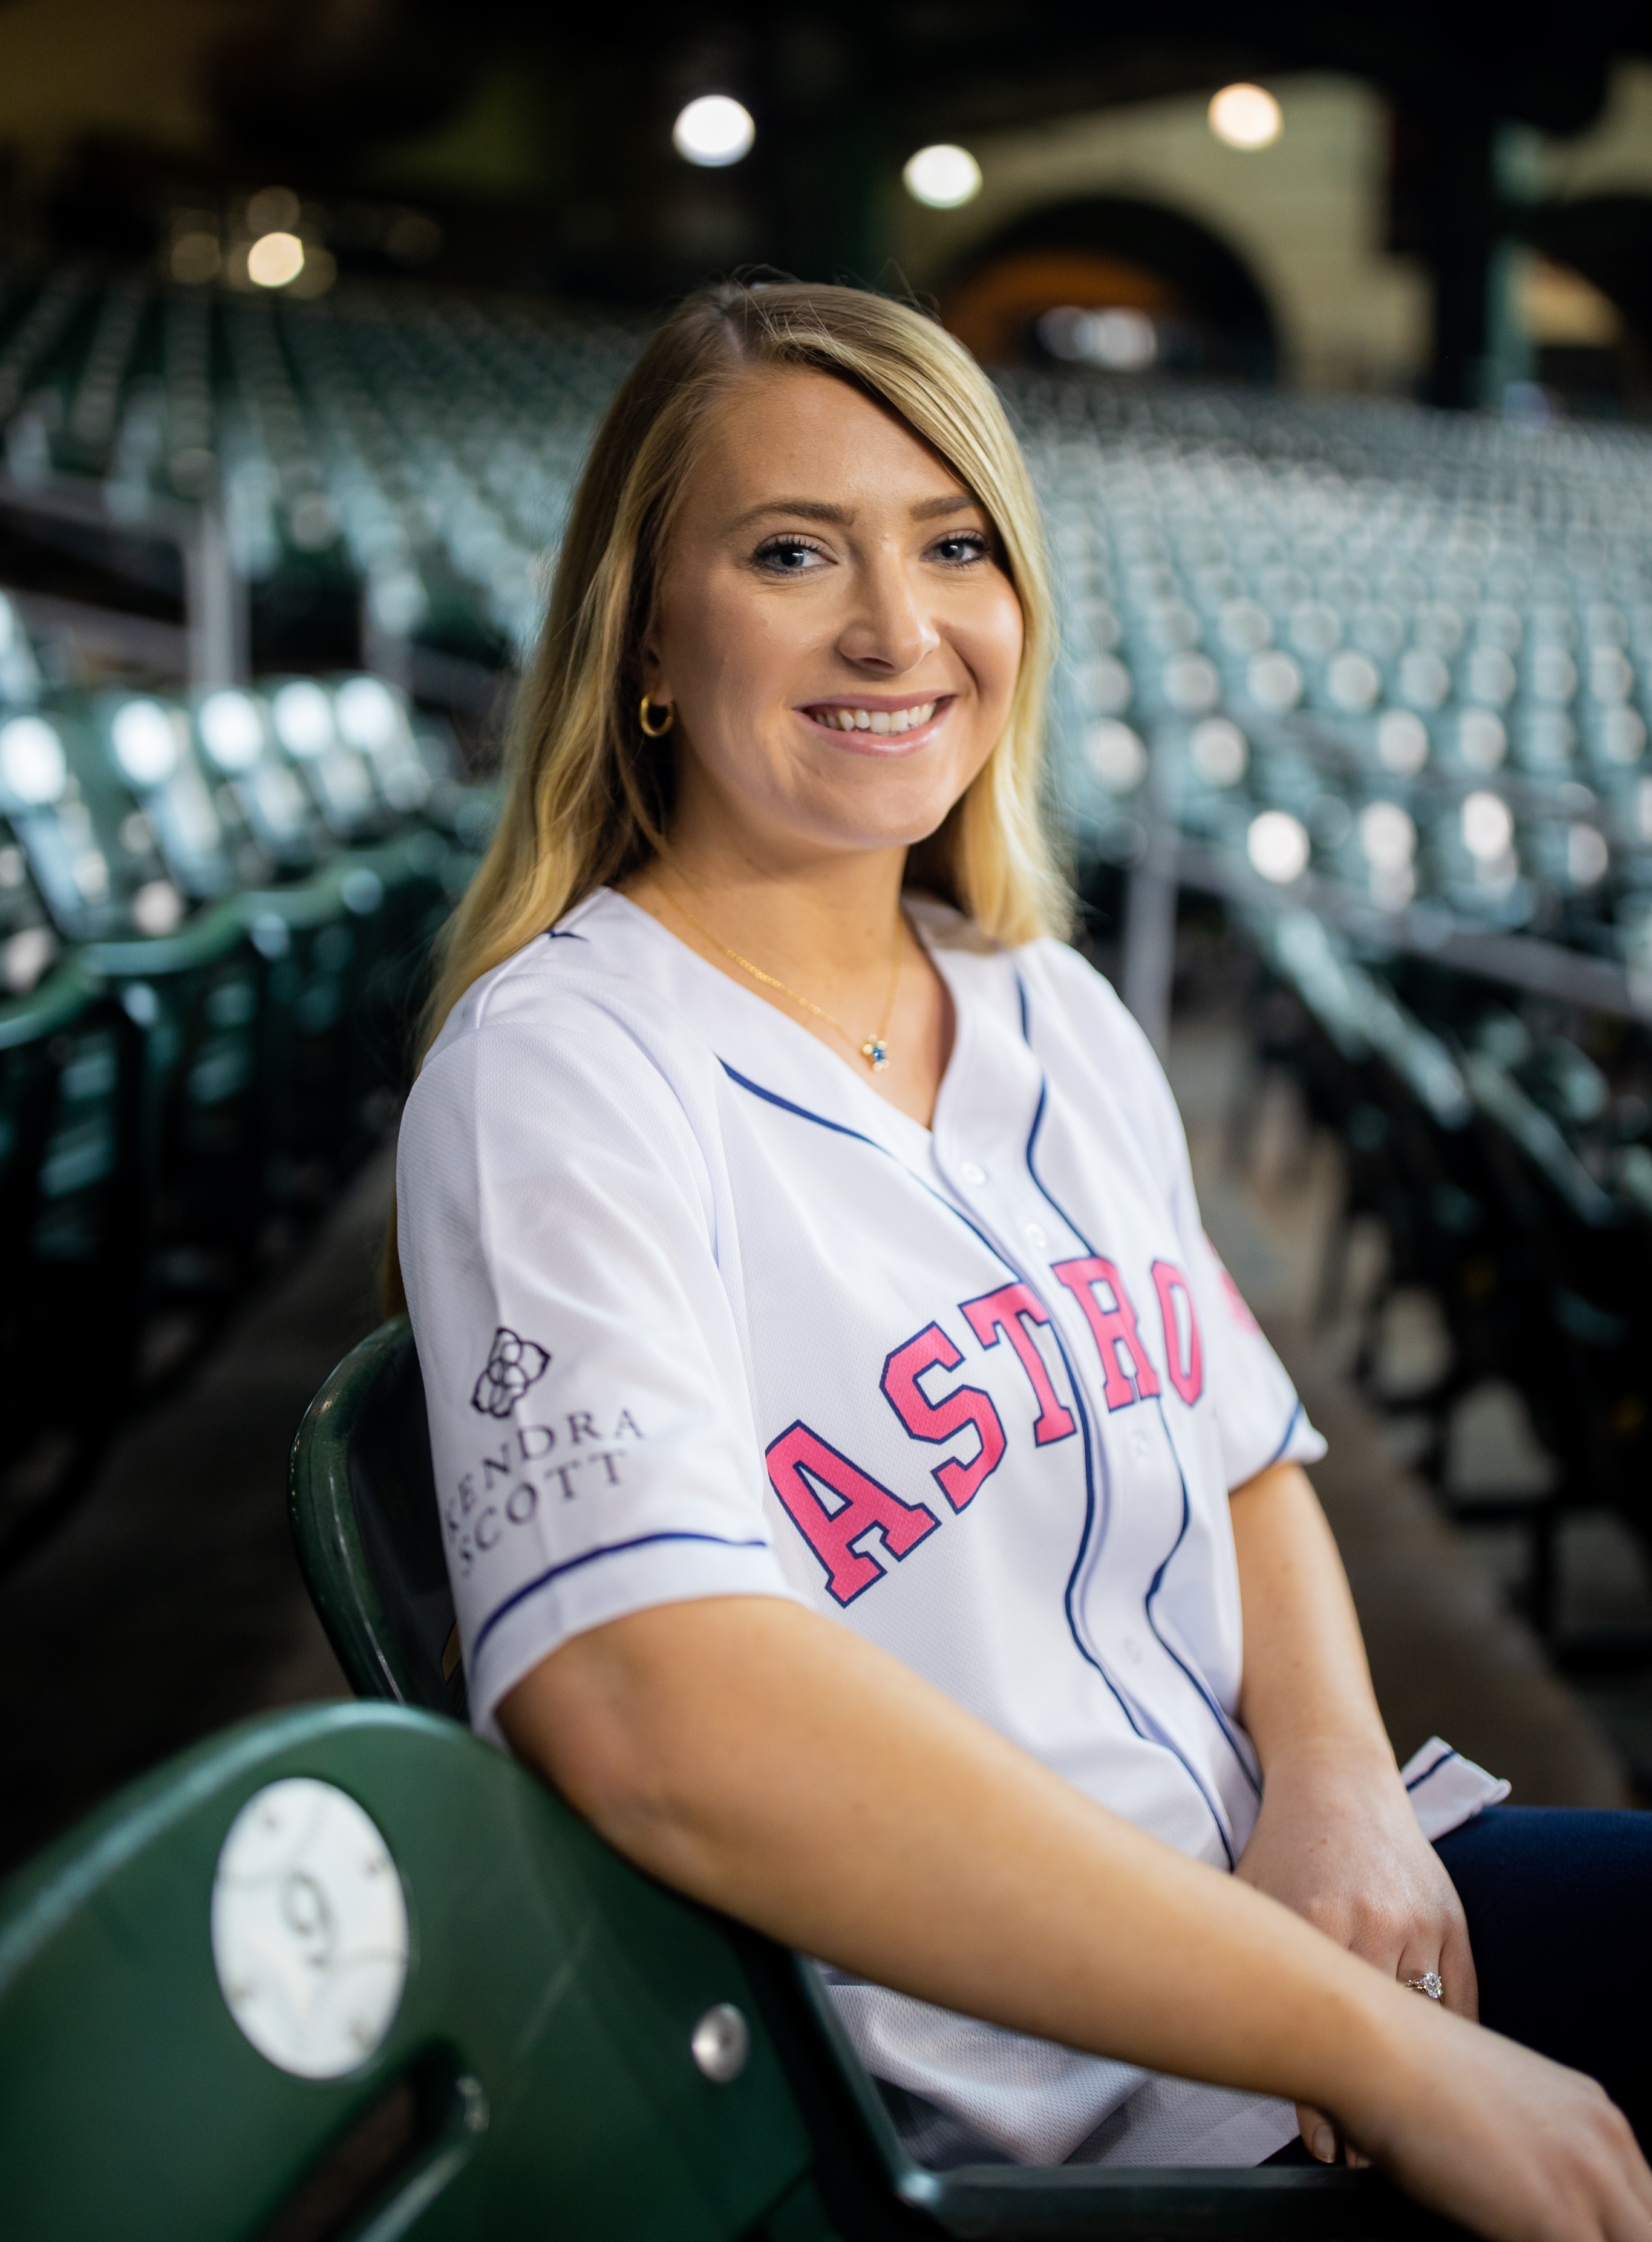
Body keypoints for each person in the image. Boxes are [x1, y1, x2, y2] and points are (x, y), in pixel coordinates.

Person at [396, 279, 1652, 2239]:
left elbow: (1249, 1454)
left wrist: (1328, 1788)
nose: (897, 630)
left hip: (1296, 1912)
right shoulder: (559, 1071)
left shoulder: (1043, 1000)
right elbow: (654, 1710)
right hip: (1023, 2108)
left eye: (954, 543)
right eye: (794, 551)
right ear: (646, 633)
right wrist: (1377, 2053)